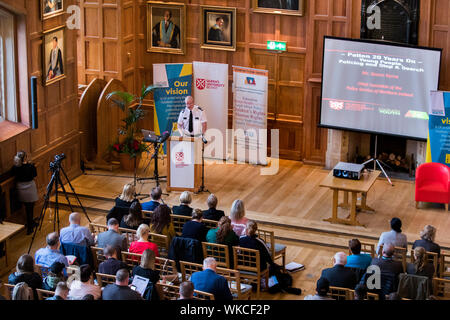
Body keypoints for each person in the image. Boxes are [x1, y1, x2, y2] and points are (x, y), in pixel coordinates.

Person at [12, 151, 39, 235]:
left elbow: (14, 175)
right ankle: (30, 227)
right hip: (29, 187)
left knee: (27, 207)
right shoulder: (30, 166)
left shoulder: (15, 167)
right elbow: (35, 175)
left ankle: (31, 223)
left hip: (20, 187)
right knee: (30, 207)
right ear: (25, 158)